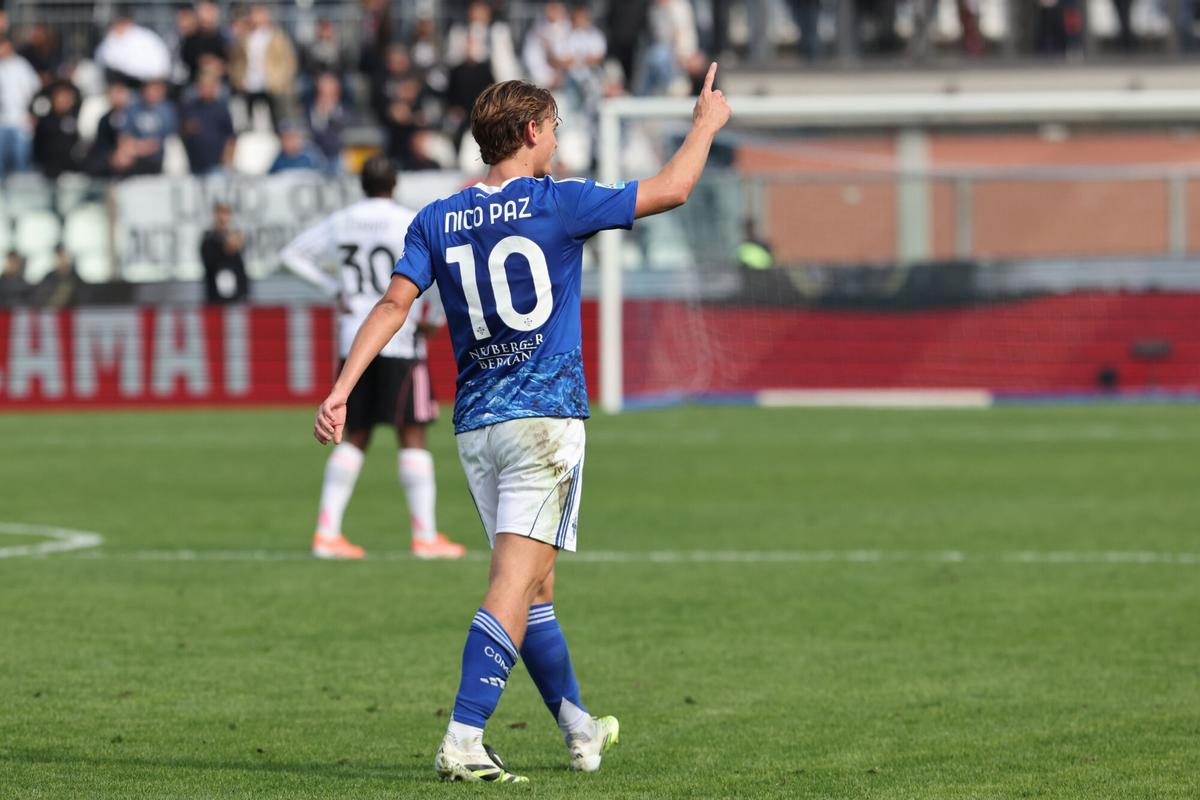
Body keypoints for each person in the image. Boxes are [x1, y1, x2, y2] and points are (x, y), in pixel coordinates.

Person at [313, 66, 731, 781]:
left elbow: (391, 306)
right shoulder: (557, 202)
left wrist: (342, 389)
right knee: (513, 581)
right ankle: (465, 738)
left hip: (477, 426)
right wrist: (705, 125)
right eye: (556, 129)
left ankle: (578, 727)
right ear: (532, 132)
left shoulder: (436, 217)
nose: (558, 141)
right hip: (544, 420)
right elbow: (673, 189)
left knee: (536, 587)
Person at [285, 156, 466, 561]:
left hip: (356, 338)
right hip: (399, 335)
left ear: (361, 184)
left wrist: (334, 289)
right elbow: (436, 270)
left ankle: (327, 532)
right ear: (394, 183)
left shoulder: (343, 220)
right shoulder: (409, 220)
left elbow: (292, 255)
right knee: (413, 433)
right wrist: (434, 317)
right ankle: (425, 536)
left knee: (356, 434)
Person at [180, 69, 235, 175]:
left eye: (208, 85)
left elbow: (230, 137)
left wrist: (227, 160)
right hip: (195, 165)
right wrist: (187, 128)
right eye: (202, 85)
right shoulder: (190, 107)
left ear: (215, 87)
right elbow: (181, 131)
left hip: (217, 166)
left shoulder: (221, 108)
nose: (204, 89)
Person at [0, 37, 39, 178]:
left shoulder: (22, 66)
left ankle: (21, 199)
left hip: (20, 120)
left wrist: (33, 113)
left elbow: (35, 91)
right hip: (2, 120)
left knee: (21, 162)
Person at [200, 203, 249, 304]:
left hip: (237, 294)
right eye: (221, 213)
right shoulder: (208, 238)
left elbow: (240, 263)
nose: (223, 217)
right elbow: (208, 262)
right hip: (216, 295)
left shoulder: (236, 235)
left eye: (226, 213)